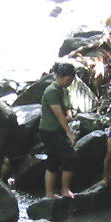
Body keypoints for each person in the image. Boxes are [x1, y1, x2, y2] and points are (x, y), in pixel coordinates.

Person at [40, 63, 79, 198]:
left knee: (54, 160)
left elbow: (67, 107)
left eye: (71, 81)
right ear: (59, 77)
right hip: (49, 131)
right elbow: (58, 115)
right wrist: (70, 133)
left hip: (56, 131)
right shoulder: (52, 91)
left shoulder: (63, 89)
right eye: (68, 80)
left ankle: (49, 194)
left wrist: (69, 114)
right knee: (71, 157)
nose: (69, 83)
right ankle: (65, 190)